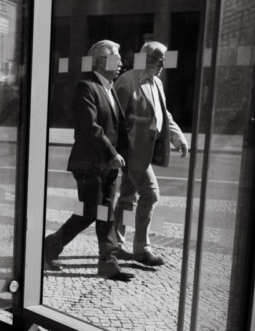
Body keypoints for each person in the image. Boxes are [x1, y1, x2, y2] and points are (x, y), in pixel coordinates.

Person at [44, 40, 133, 281]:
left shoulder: (110, 88)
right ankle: (49, 247)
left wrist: (124, 155)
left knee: (106, 213)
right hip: (89, 164)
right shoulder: (86, 87)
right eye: (116, 58)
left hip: (108, 165)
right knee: (89, 212)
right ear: (101, 61)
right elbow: (91, 127)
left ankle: (108, 263)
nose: (121, 63)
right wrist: (111, 154)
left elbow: (118, 127)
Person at [112, 41, 189, 266]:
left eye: (164, 59)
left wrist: (178, 138)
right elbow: (115, 119)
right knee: (151, 194)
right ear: (145, 58)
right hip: (133, 153)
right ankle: (142, 249)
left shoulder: (156, 82)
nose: (163, 64)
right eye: (158, 59)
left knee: (127, 197)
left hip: (145, 151)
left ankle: (116, 244)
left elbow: (164, 114)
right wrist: (116, 153)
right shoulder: (127, 81)